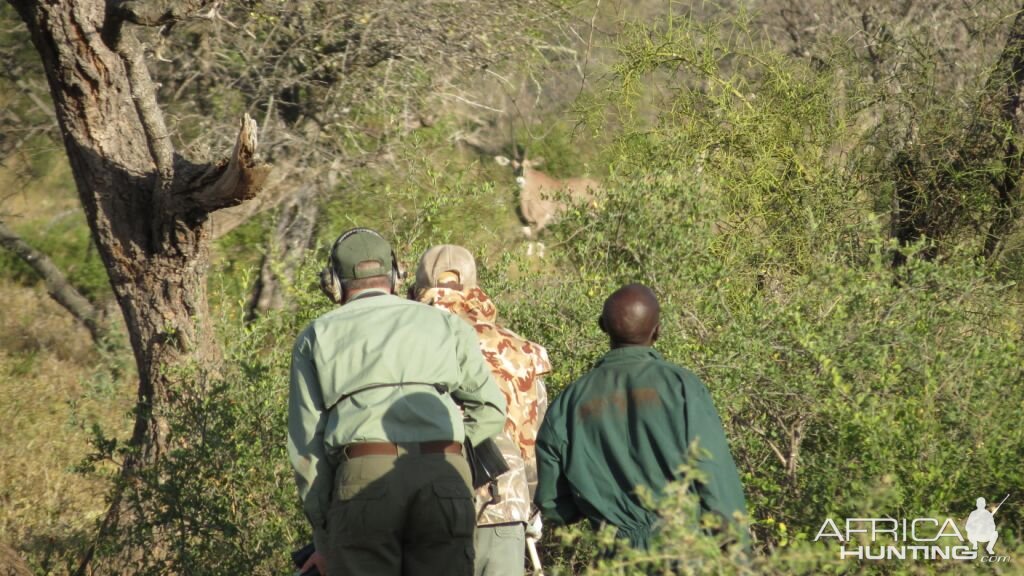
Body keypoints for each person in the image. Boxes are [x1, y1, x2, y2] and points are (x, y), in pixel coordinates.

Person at [288, 228, 507, 576]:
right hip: (443, 474)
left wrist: (323, 533)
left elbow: (306, 448)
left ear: (333, 283)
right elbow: (492, 410)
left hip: (362, 476)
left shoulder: (316, 334)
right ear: (396, 274)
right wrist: (450, 446)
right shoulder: (448, 325)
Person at [534, 284, 747, 549]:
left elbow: (554, 505)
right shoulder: (681, 386)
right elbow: (715, 478)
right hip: (684, 551)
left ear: (602, 326)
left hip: (618, 558)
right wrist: (737, 551)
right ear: (657, 330)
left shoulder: (568, 402)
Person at [413, 245, 551, 576]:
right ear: (474, 286)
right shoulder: (520, 350)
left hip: (426, 506)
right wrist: (530, 507)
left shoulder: (406, 342)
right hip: (504, 505)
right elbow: (532, 444)